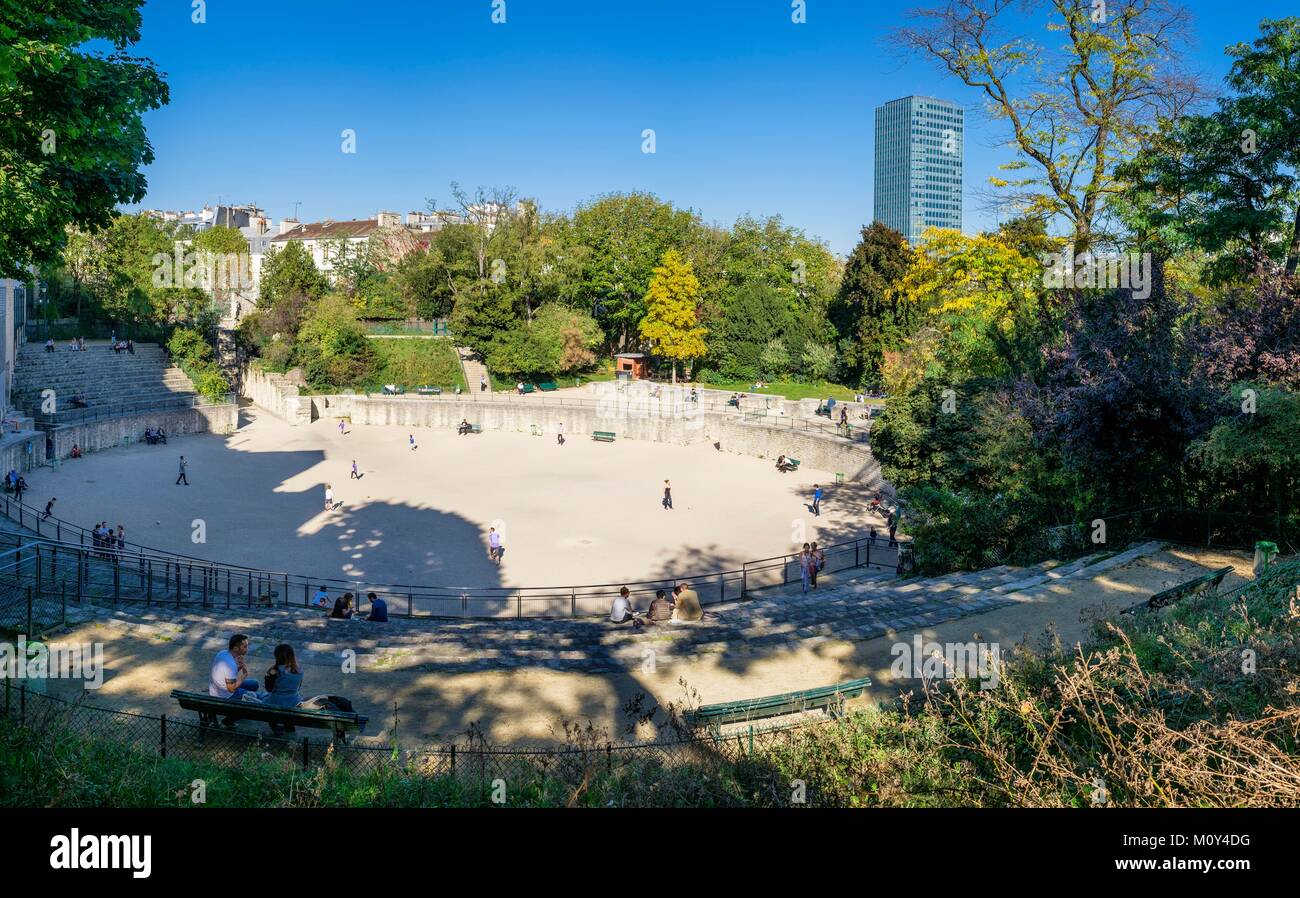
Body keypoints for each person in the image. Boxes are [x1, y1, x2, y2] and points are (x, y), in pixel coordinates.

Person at [209, 634, 259, 727]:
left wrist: (239, 667)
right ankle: (228, 721)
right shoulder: (230, 663)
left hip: (217, 690)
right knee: (253, 700)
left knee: (254, 684)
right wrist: (244, 675)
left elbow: (226, 674)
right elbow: (231, 689)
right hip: (225, 696)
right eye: (245, 646)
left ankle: (238, 710)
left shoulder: (223, 653)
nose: (247, 648)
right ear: (236, 648)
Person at [261, 644, 305, 732]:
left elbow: (269, 689)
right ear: (292, 655)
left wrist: (267, 676)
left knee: (265, 699)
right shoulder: (299, 669)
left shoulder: (274, 671)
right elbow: (298, 687)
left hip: (276, 701)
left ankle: (274, 726)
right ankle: (289, 725)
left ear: (276, 656)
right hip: (294, 700)